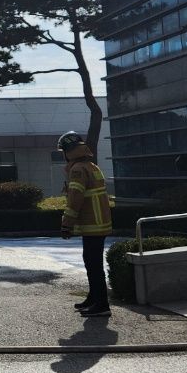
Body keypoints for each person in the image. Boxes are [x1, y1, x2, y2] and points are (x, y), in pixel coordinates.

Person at [57, 131, 113, 318]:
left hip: (92, 225)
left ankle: (102, 304)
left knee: (93, 264)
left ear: (68, 151)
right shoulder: (91, 166)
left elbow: (75, 199)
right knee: (92, 263)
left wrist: (67, 224)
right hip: (99, 223)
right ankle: (93, 298)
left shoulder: (78, 169)